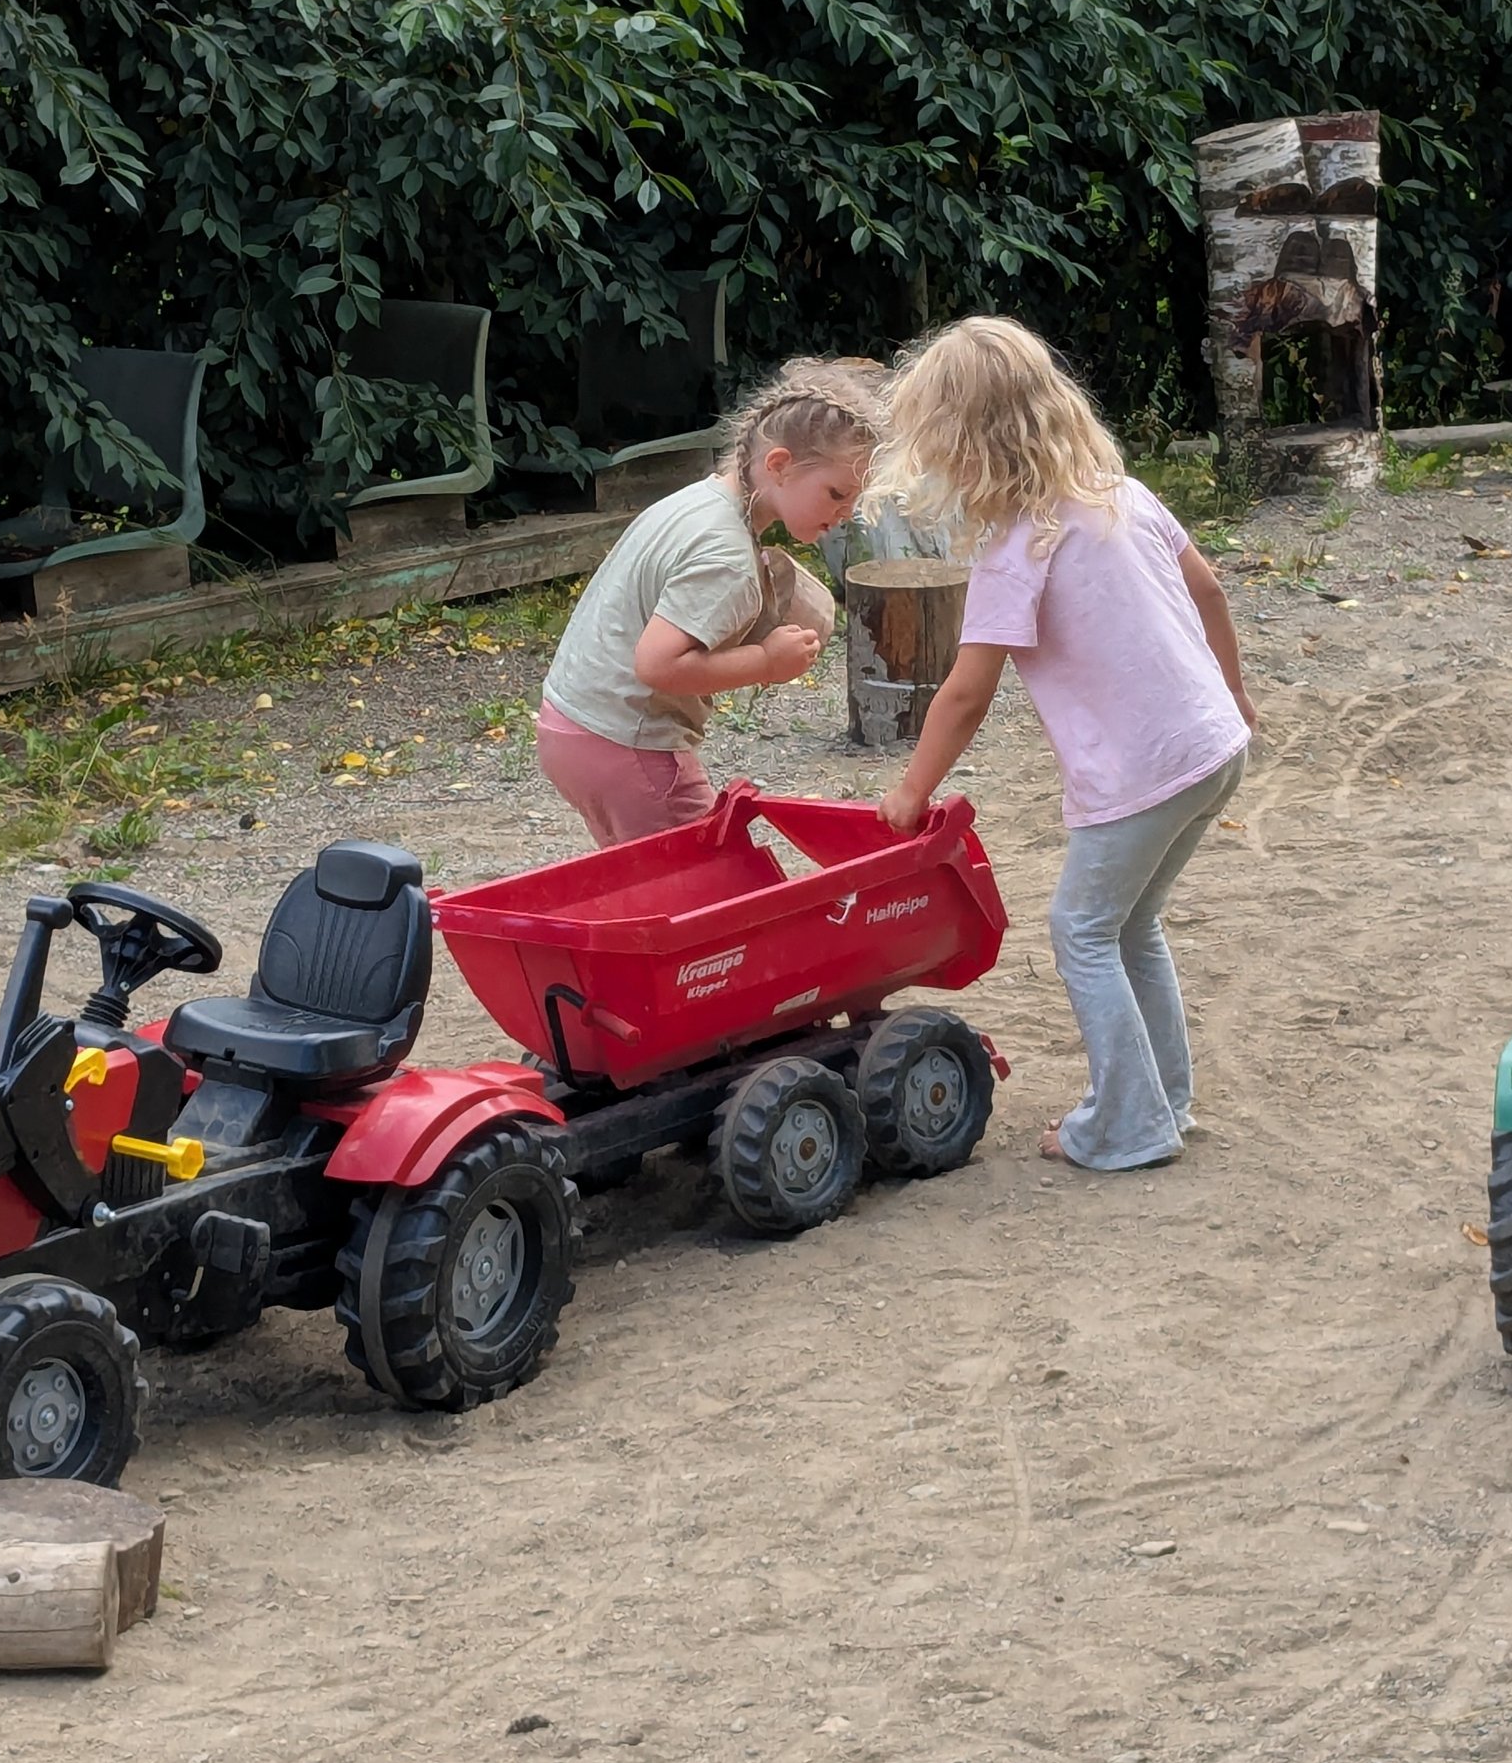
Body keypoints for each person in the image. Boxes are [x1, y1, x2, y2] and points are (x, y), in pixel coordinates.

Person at [873, 318, 1253, 1170]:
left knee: (1080, 927)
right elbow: (1210, 589)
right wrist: (1232, 692)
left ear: (961, 445)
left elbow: (967, 692)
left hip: (1145, 771)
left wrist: (911, 793)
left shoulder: (1017, 547)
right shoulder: (1118, 491)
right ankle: (1165, 1100)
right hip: (1213, 747)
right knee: (1130, 923)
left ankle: (1128, 1125)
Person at [536, 358, 887, 847]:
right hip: (627, 742)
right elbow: (658, 664)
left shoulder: (700, 502)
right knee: (714, 884)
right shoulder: (727, 555)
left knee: (650, 885)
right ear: (780, 465)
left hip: (573, 726)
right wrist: (766, 661)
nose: (845, 513)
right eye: (837, 493)